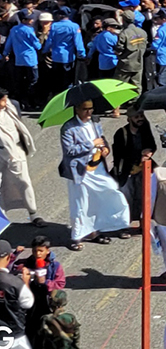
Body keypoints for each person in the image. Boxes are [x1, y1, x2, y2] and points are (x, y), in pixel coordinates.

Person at [58, 99, 129, 252]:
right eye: (85, 109)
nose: (89, 112)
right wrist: (91, 144)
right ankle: (77, 236)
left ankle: (98, 229)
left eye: (91, 109)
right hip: (80, 171)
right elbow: (69, 151)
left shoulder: (95, 122)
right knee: (80, 204)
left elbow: (101, 139)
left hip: (97, 167)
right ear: (77, 109)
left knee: (111, 192)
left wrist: (104, 148)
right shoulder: (68, 127)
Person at [0, 241, 36, 349]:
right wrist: (26, 283)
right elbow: (28, 303)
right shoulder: (14, 282)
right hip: (13, 336)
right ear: (8, 258)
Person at [0, 92, 40, 226]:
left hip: (16, 151)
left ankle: (33, 213)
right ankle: (2, 217)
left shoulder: (12, 106)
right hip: (1, 153)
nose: (6, 101)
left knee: (24, 181)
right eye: (3, 100)